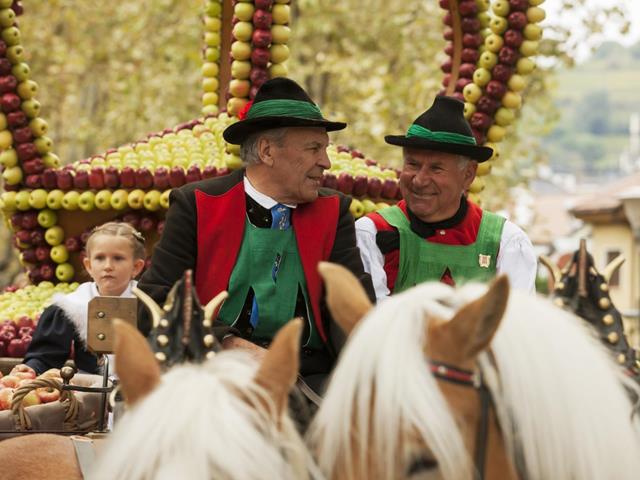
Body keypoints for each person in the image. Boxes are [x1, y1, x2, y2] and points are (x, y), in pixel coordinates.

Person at [138, 77, 375, 394]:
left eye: (325, 149)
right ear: (267, 151)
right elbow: (154, 301)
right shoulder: (196, 204)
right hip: (216, 377)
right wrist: (230, 345)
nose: (326, 162)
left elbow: (355, 308)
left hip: (310, 382)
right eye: (314, 148)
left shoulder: (335, 210)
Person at [356, 95, 537, 300]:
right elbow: (372, 325)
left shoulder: (505, 242)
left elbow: (515, 324)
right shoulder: (370, 233)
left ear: (468, 175)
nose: (419, 180)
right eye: (412, 164)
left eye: (436, 168)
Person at [21, 222, 146, 375]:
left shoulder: (148, 303)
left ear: (136, 267)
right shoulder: (73, 304)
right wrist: (32, 368)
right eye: (100, 258)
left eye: (118, 258)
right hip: (88, 389)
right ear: (89, 265)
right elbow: (46, 356)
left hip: (141, 388)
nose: (108, 266)